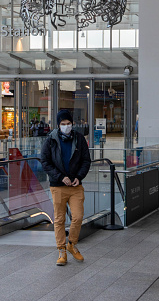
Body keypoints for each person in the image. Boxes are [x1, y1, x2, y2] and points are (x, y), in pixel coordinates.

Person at [40, 109, 91, 266]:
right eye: (63, 124)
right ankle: (61, 250)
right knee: (59, 219)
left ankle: (72, 244)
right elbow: (45, 162)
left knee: (77, 216)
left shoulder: (79, 139)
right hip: (58, 186)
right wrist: (61, 177)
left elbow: (86, 161)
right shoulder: (50, 140)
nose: (66, 126)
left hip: (76, 186)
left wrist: (78, 177)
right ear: (58, 125)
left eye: (69, 124)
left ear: (72, 124)